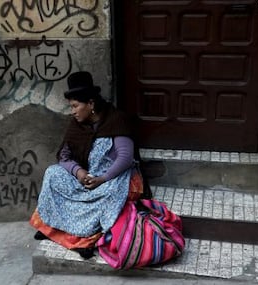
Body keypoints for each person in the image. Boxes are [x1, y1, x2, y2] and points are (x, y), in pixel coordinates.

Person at [30, 71, 184, 267]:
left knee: (112, 194)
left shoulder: (115, 120)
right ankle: (52, 229)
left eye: (76, 106)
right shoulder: (76, 125)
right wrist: (79, 172)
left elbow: (125, 158)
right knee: (52, 173)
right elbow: (64, 157)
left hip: (113, 175)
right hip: (86, 175)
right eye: (72, 107)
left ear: (91, 104)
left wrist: (103, 178)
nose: (73, 111)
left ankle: (86, 240)